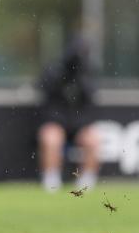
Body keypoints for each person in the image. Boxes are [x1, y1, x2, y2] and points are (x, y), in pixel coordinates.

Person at [37, 33, 100, 192]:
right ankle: (51, 180)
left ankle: (86, 181)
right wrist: (63, 73)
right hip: (56, 121)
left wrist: (80, 76)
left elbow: (91, 96)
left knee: (93, 139)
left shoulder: (87, 71)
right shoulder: (54, 69)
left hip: (79, 124)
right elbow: (44, 89)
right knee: (52, 137)